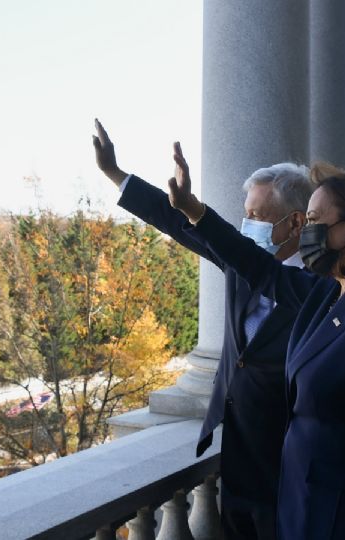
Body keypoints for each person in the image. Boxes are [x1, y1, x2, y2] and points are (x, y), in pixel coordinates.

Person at [167, 144, 345, 539]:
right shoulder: (328, 295)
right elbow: (255, 264)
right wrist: (194, 210)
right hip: (299, 508)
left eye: (313, 220)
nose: (305, 232)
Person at [92, 120, 313, 540]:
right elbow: (175, 223)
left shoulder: (320, 288)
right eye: (244, 214)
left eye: (256, 216)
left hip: (293, 461)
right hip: (238, 456)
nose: (246, 225)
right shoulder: (239, 266)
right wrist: (115, 175)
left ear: (296, 223)